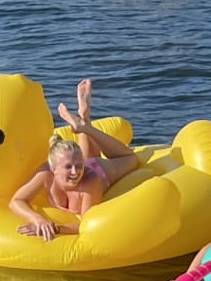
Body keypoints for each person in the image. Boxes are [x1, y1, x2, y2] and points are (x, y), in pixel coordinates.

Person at [9, 79, 139, 241]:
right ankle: (84, 118)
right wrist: (38, 219)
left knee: (130, 158)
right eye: (68, 167)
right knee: (87, 157)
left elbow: (87, 223)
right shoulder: (45, 173)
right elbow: (16, 201)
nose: (75, 172)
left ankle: (86, 127)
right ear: (53, 168)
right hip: (86, 161)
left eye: (78, 166)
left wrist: (54, 228)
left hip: (99, 169)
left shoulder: (90, 181)